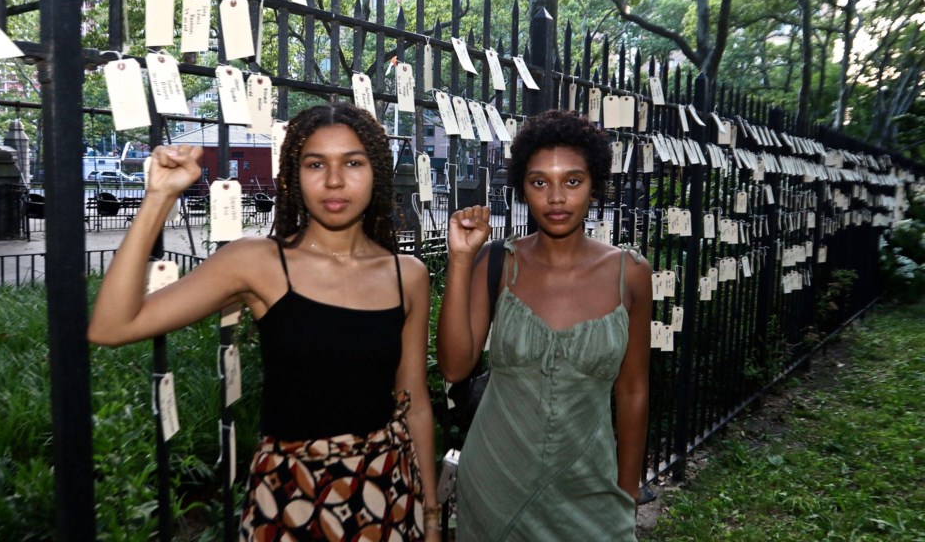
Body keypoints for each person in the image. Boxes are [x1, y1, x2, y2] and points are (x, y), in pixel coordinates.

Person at [89, 102, 441, 541]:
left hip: (386, 487)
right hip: (290, 492)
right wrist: (160, 197)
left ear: (377, 173)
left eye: (353, 162)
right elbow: (111, 326)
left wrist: (430, 513)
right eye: (316, 164)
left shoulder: (407, 274)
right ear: (295, 174)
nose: (334, 180)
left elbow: (415, 400)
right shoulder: (256, 262)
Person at [437, 110, 652, 541]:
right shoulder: (497, 264)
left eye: (572, 181)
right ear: (523, 189)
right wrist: (460, 262)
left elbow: (633, 390)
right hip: (495, 481)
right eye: (540, 183)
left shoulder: (630, 273)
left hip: (590, 485)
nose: (556, 198)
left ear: (593, 186)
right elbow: (455, 368)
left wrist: (627, 492)